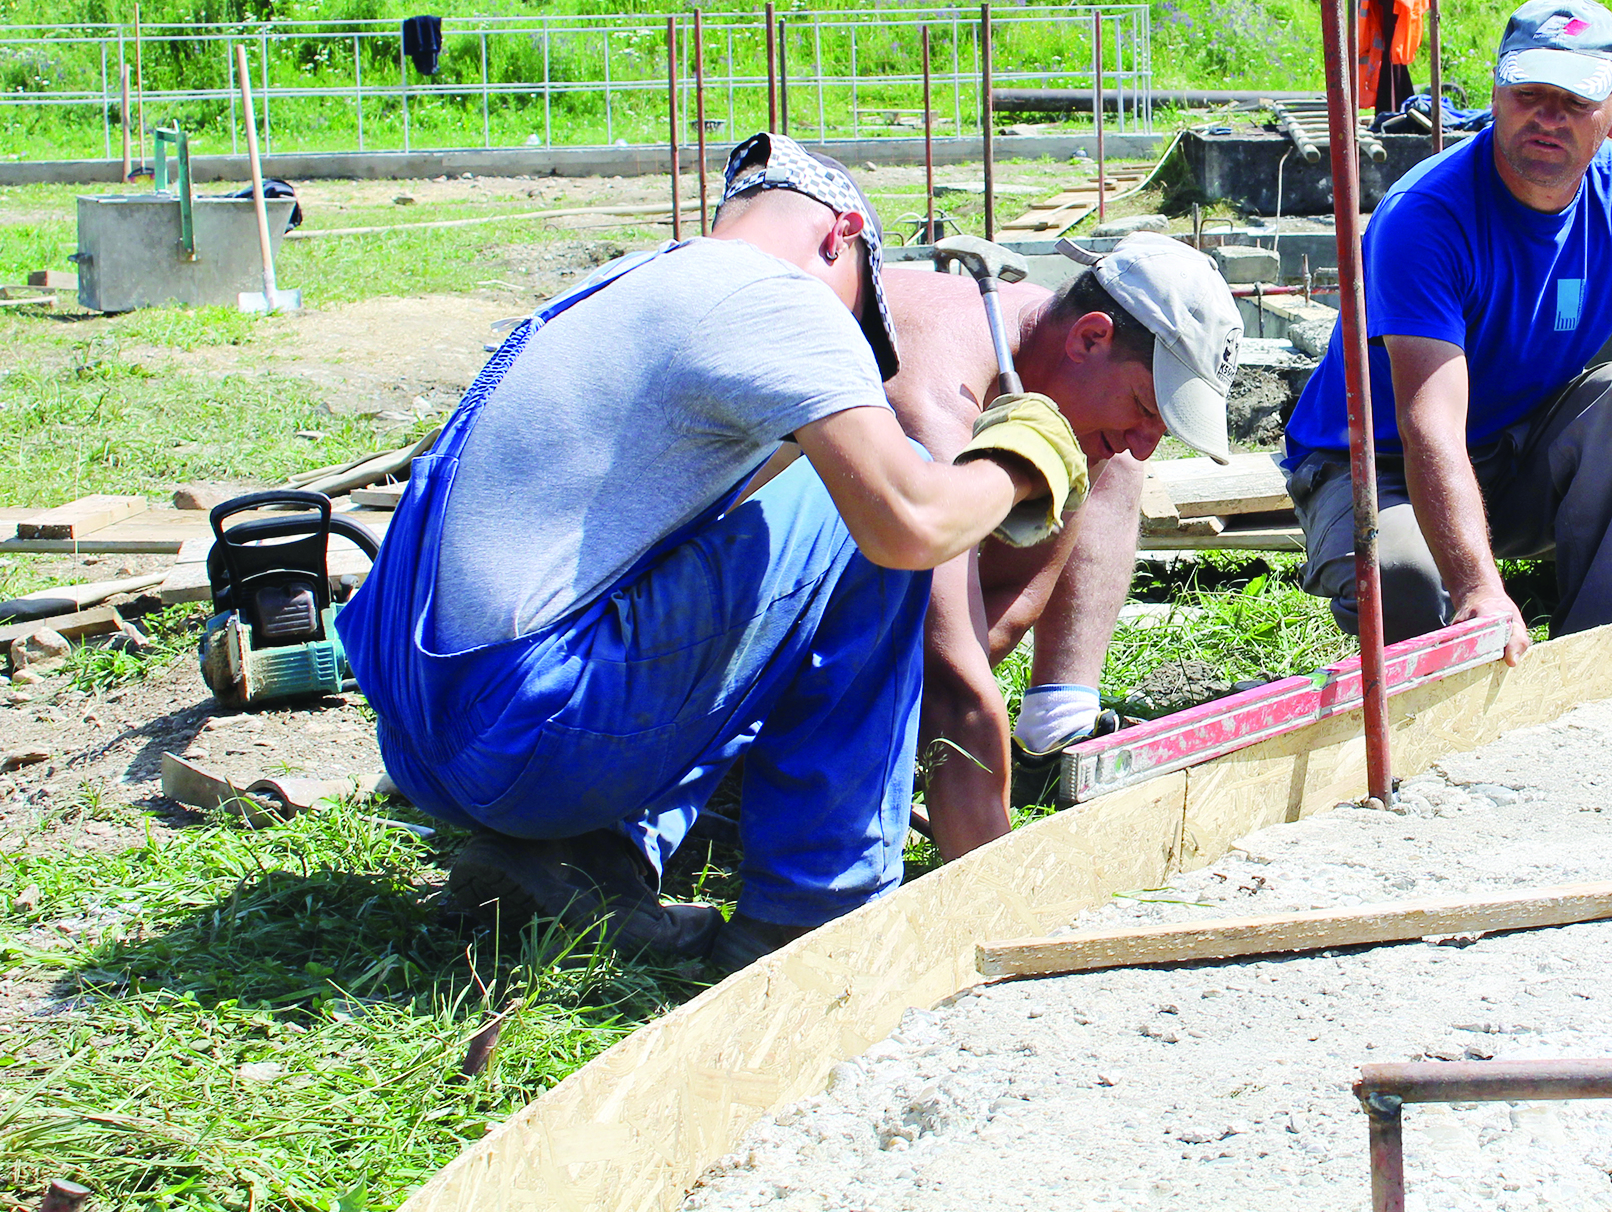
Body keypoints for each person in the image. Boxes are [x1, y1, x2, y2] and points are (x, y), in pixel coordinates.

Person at [338, 133, 1087, 974]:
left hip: (419, 735)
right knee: (880, 488)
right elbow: (907, 521)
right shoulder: (781, 297)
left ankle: (584, 857)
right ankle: (812, 908)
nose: (850, 337)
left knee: (753, 550)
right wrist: (1017, 467)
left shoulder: (618, 288)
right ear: (838, 234)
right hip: (530, 735)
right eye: (855, 317)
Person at [1279, 0, 1612, 661]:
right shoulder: (1426, 216)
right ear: (1495, 93)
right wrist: (1479, 589)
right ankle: (1445, 689)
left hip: (1511, 452)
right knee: (1407, 582)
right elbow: (1427, 425)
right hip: (1378, 466)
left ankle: (1593, 659)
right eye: (1529, 93)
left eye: (1576, 101)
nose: (1547, 119)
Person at [882, 233, 1242, 842]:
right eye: (1145, 405)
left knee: (1110, 452)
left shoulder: (1058, 347)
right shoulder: (935, 395)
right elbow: (951, 678)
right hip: (717, 592)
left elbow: (1013, 607)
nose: (1147, 442)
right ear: (1090, 337)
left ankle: (1056, 724)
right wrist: (999, 881)